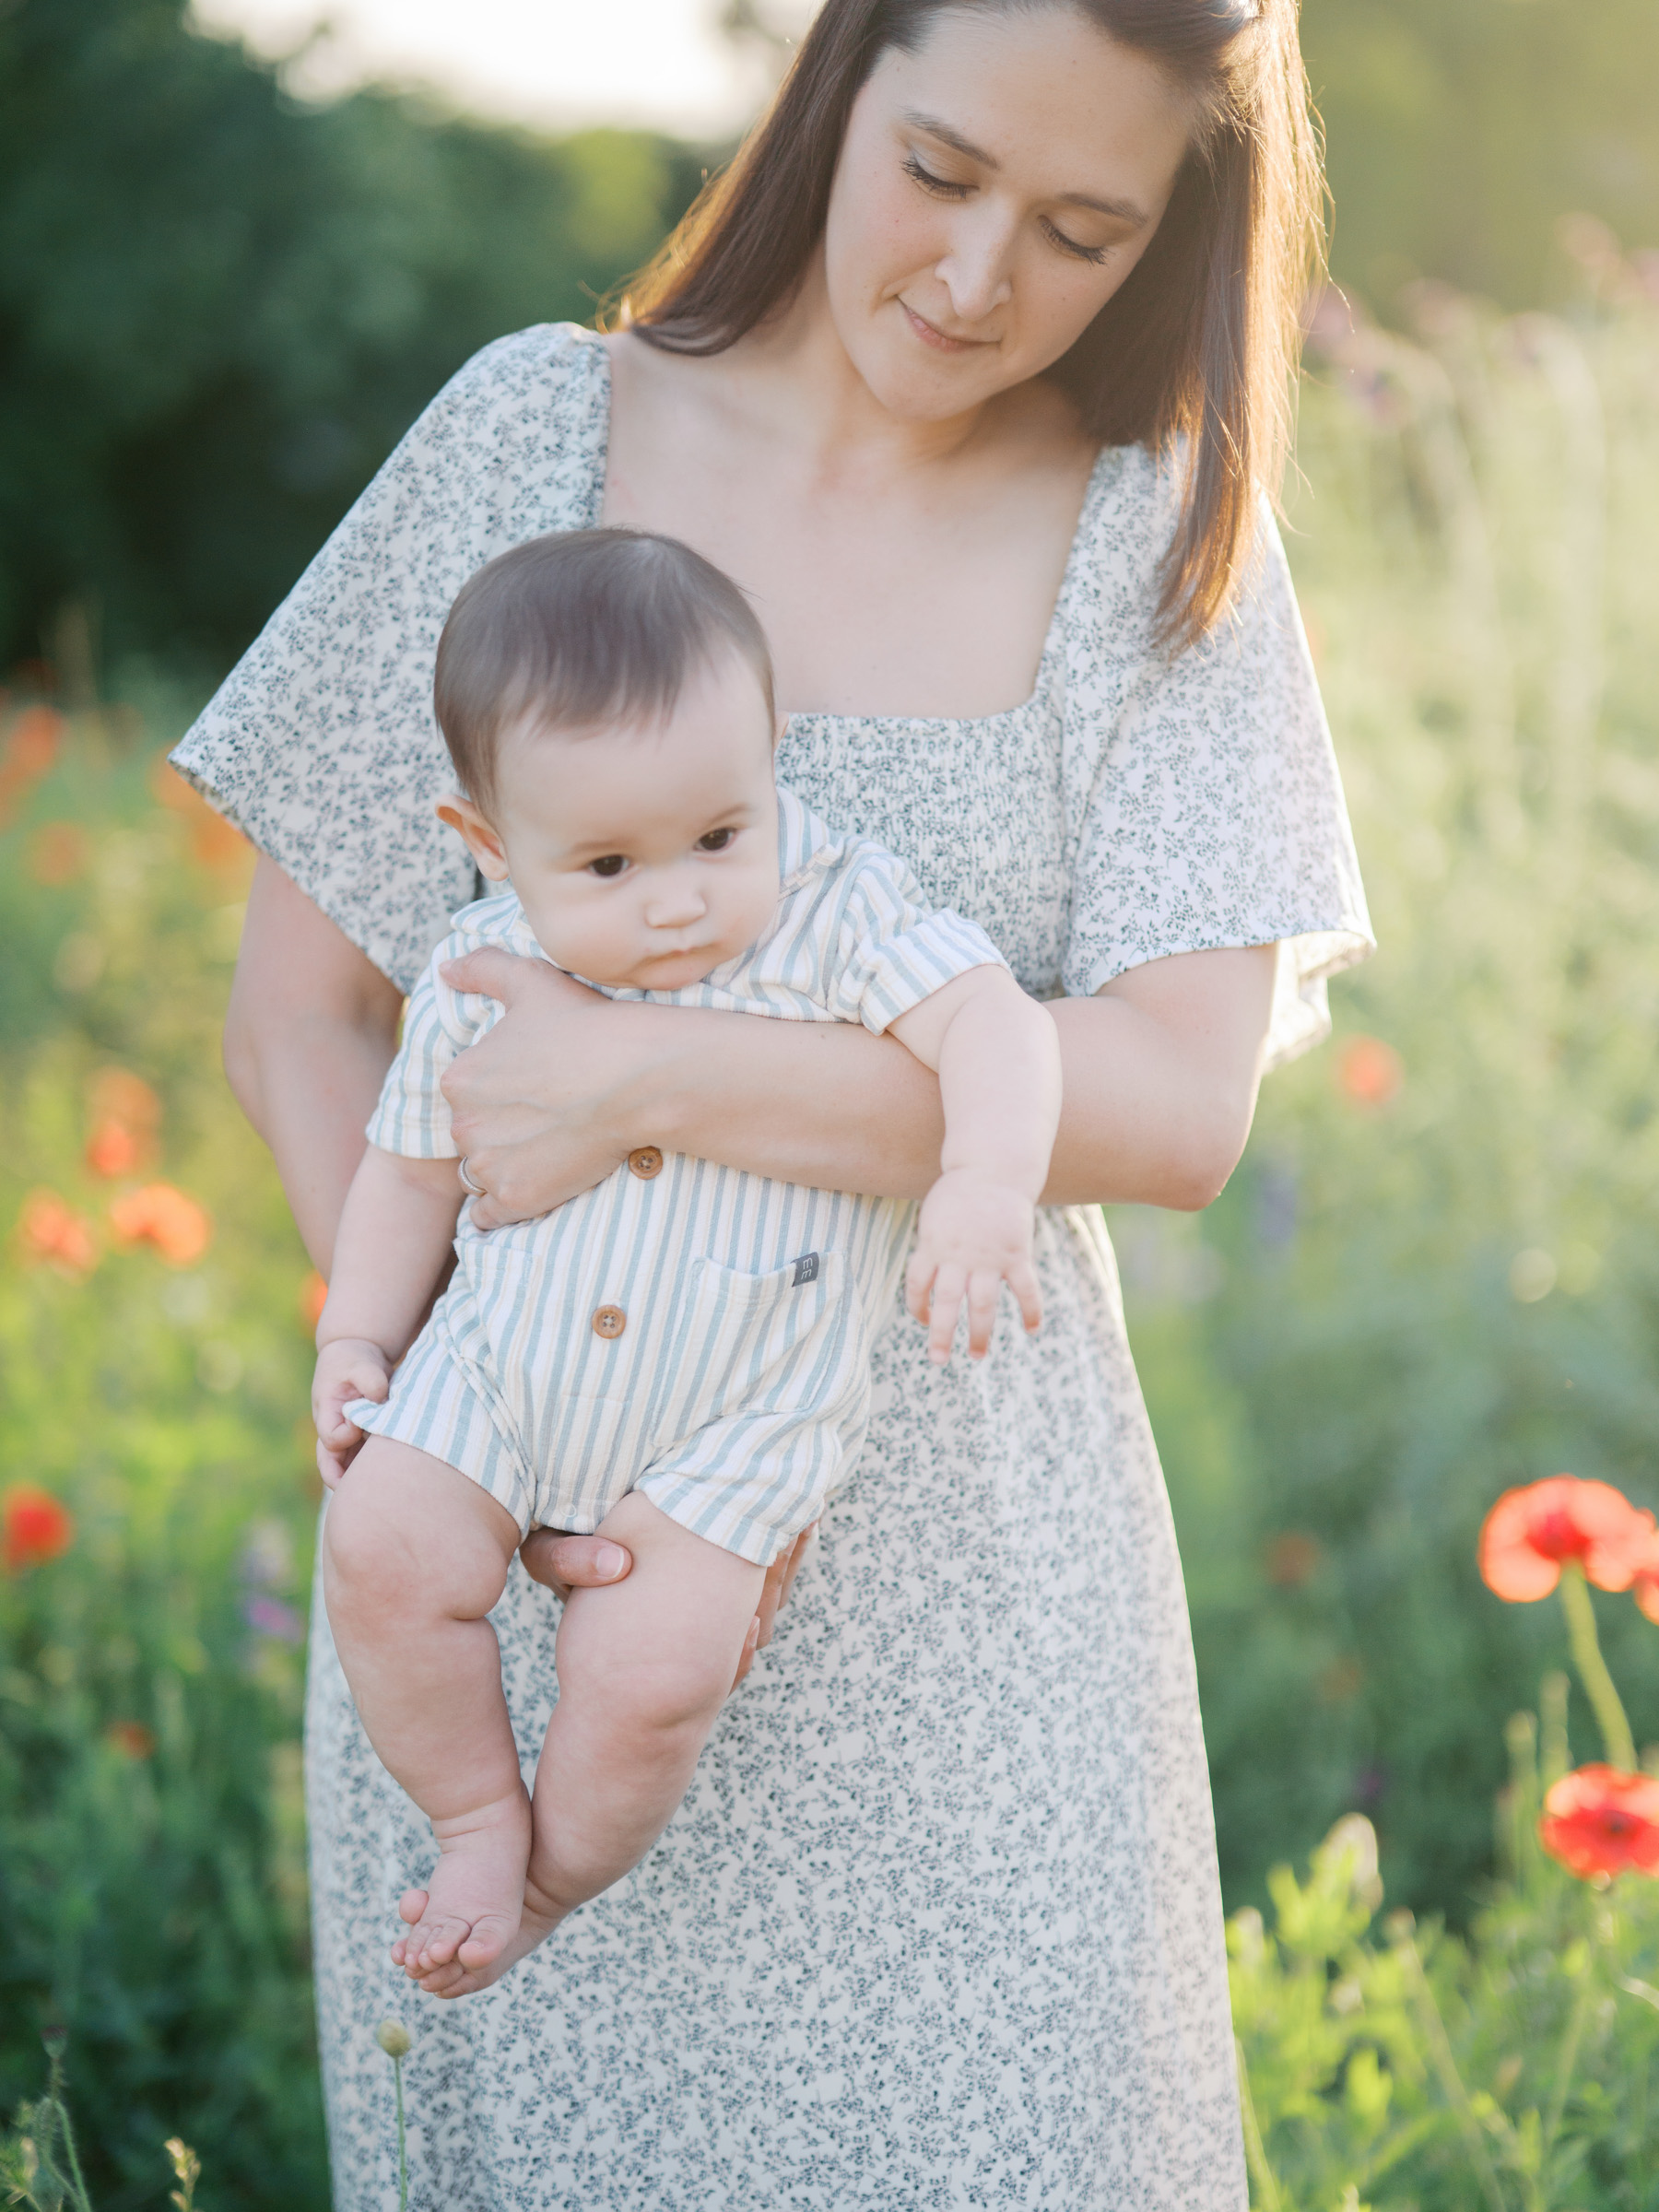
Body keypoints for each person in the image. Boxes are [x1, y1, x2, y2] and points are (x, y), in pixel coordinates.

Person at [174, 0, 1372, 2200]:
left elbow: (1183, 1102)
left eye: (1087, 228)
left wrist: (642, 1072)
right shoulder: (532, 438)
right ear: (840, 81)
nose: (982, 277)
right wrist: (459, 1410)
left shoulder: (1160, 538)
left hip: (966, 1622)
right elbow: (305, 1012)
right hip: (538, 1614)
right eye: (940, 170)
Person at [313, 525, 1061, 1997]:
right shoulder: (479, 979)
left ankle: (551, 1878)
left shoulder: (838, 913)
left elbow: (997, 1025)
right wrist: (356, 1338)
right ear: (487, 843)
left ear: (773, 757)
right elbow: (404, 1171)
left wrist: (984, 1182)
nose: (675, 899)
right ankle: (475, 1816)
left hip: (730, 1429)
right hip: (499, 1375)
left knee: (653, 1683)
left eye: (721, 833)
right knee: (380, 1551)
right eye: (605, 861)